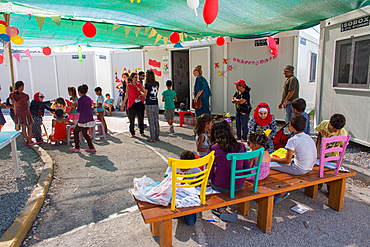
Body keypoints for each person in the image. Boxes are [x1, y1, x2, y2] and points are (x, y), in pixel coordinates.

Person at [207, 120, 249, 222]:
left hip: (220, 185)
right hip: (239, 184)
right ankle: (221, 208)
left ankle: (220, 208)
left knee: (211, 182)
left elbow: (210, 173)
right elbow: (247, 170)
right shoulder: (241, 146)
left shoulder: (213, 148)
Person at [270, 114, 317, 203]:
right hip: (309, 167)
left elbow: (286, 160)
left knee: (269, 165)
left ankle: (281, 193)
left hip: (298, 169)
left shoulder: (293, 140)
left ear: (291, 127)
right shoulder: (308, 137)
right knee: (279, 164)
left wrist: (273, 159)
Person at [165, 151, 200, 226]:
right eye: (184, 165)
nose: (185, 168)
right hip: (175, 195)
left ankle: (189, 211)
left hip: (189, 196)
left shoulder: (194, 167)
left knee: (190, 222)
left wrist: (195, 184)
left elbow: (201, 177)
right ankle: (184, 212)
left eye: (188, 167)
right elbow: (166, 179)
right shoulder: (173, 165)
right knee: (173, 215)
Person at [69, 84, 96, 152]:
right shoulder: (88, 99)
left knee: (75, 131)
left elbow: (79, 110)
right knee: (84, 133)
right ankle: (91, 147)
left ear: (79, 92)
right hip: (89, 118)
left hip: (83, 119)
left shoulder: (80, 99)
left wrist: (75, 105)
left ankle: (77, 147)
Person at [123, 73, 146, 138]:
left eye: (137, 77)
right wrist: (123, 104)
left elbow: (144, 93)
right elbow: (126, 95)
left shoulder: (140, 85)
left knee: (141, 118)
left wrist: (140, 95)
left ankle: (142, 131)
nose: (136, 79)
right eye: (135, 77)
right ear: (132, 78)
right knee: (132, 119)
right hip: (132, 104)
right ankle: (132, 132)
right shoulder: (128, 86)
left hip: (139, 103)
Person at [10, 81, 34, 145]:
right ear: (21, 87)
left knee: (23, 127)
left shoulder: (12, 95)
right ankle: (29, 140)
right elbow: (28, 104)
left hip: (18, 112)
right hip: (25, 112)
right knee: (29, 126)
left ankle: (27, 139)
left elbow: (11, 102)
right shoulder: (25, 96)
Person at [144, 70, 160, 142]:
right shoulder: (157, 83)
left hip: (149, 103)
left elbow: (145, 95)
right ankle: (157, 136)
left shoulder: (147, 84)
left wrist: (141, 92)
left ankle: (152, 137)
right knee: (156, 120)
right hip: (155, 103)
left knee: (151, 121)